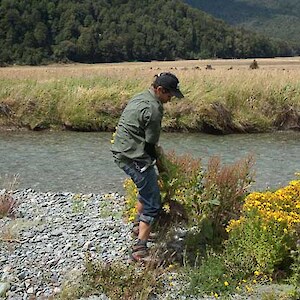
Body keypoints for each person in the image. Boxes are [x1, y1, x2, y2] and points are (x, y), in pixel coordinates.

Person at [111, 72, 184, 262]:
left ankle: (138, 226)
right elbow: (151, 145)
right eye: (169, 95)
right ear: (160, 90)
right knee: (153, 200)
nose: (170, 100)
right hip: (131, 154)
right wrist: (161, 167)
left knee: (147, 186)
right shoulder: (154, 109)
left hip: (121, 149)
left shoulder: (141, 95)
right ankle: (139, 250)